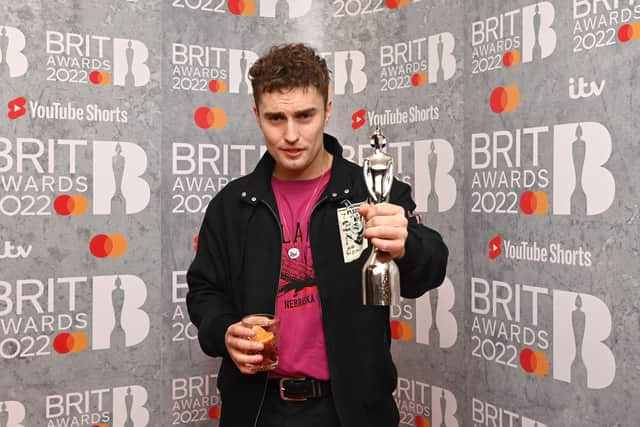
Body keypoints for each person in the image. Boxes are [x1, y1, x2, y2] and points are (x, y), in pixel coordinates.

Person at [186, 43, 448, 427]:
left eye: (305, 115)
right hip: (258, 410)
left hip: (352, 412)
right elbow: (204, 291)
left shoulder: (370, 190)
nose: (291, 135)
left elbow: (429, 268)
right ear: (257, 116)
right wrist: (224, 331)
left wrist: (407, 244)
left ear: (327, 111)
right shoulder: (233, 204)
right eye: (276, 118)